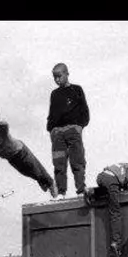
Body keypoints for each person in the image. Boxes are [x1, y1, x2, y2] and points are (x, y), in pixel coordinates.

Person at [45, 63, 90, 199]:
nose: (57, 80)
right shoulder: (54, 94)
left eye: (59, 76)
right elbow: (51, 113)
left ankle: (81, 190)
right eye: (54, 77)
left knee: (77, 160)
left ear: (66, 74)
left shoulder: (77, 89)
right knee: (59, 163)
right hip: (57, 133)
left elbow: (84, 110)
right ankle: (61, 192)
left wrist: (79, 126)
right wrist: (51, 130)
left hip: (73, 130)